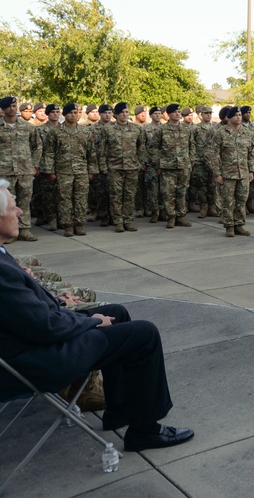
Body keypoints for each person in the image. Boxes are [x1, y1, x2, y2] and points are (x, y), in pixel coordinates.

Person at [0, 180, 194, 451]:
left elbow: (21, 310)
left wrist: (56, 300)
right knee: (144, 334)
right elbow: (45, 326)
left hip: (27, 346)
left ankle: (120, 411)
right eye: (12, 207)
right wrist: (90, 321)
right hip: (35, 360)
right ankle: (145, 431)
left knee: (116, 312)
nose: (20, 211)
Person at [41, 104, 97, 237]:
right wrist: (50, 171)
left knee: (81, 199)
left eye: (75, 112)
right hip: (63, 171)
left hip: (81, 171)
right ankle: (67, 225)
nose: (73, 115)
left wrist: (92, 171)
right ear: (64, 115)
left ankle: (79, 224)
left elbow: (92, 153)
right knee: (64, 199)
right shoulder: (55, 132)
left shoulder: (85, 132)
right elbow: (49, 153)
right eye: (70, 113)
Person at [0, 96, 42, 242]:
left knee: (25, 200)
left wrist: (35, 164)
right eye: (9, 106)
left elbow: (37, 146)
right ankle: (9, 232)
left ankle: (24, 230)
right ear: (3, 109)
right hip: (5, 171)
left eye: (14, 105)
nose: (13, 109)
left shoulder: (27, 127)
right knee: (7, 203)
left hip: (25, 170)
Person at [210, 107, 254, 237]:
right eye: (235, 115)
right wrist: (217, 173)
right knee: (228, 201)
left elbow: (251, 153)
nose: (239, 117)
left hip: (243, 173)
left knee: (241, 200)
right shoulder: (220, 133)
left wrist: (251, 170)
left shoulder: (248, 133)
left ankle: (239, 224)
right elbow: (215, 154)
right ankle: (229, 226)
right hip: (227, 173)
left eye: (240, 115)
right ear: (229, 117)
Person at [101, 103, 146, 233]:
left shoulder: (136, 129)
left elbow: (141, 148)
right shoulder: (108, 129)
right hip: (114, 167)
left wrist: (140, 163)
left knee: (130, 195)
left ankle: (128, 220)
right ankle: (118, 221)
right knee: (116, 195)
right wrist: (103, 166)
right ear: (116, 114)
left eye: (127, 112)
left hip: (131, 167)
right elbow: (102, 149)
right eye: (122, 112)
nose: (125, 114)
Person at [149, 104, 195, 228]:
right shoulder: (161, 130)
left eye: (178, 112)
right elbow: (153, 149)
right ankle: (171, 217)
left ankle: (180, 216)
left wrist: (190, 162)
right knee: (168, 193)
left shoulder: (186, 129)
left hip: (184, 165)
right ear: (168, 115)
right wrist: (158, 164)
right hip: (167, 167)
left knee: (182, 192)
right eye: (174, 112)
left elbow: (192, 147)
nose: (177, 114)